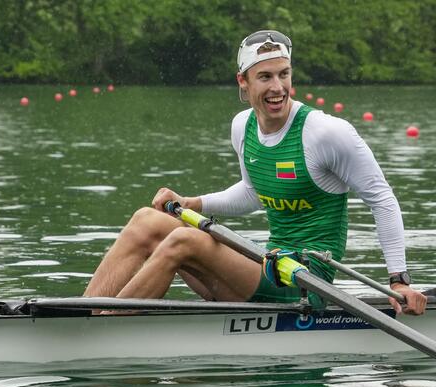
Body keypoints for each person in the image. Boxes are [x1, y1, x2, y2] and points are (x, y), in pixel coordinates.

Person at [84, 30, 427, 315]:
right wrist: (192, 202)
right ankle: (82, 314)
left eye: (284, 74)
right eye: (265, 77)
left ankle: (106, 329)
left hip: (308, 281)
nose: (277, 87)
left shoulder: (326, 133)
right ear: (243, 82)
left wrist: (399, 281)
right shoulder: (242, 126)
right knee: (146, 220)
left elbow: (382, 200)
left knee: (183, 239)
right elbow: (252, 192)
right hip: (269, 262)